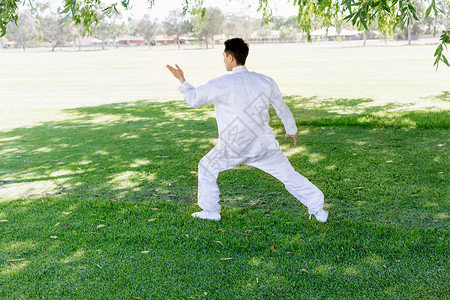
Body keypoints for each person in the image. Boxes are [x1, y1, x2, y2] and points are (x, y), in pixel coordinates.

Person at [166, 38, 328, 222]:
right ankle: (318, 210)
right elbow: (281, 107)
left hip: (233, 147)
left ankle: (211, 211)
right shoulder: (265, 81)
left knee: (206, 167)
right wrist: (290, 130)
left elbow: (194, 99)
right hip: (264, 145)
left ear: (231, 58)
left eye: (224, 56)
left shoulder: (221, 83)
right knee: (289, 176)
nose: (224, 60)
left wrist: (181, 80)